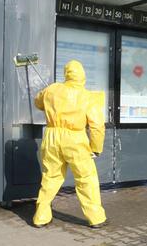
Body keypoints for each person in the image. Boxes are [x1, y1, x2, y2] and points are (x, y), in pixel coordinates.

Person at [32, 60, 108, 228]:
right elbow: (97, 125)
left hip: (52, 136)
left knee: (50, 177)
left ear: (66, 74)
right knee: (85, 178)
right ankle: (96, 218)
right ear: (83, 76)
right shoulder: (88, 96)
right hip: (75, 139)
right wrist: (96, 148)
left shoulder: (51, 90)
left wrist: (50, 96)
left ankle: (41, 216)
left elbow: (38, 103)